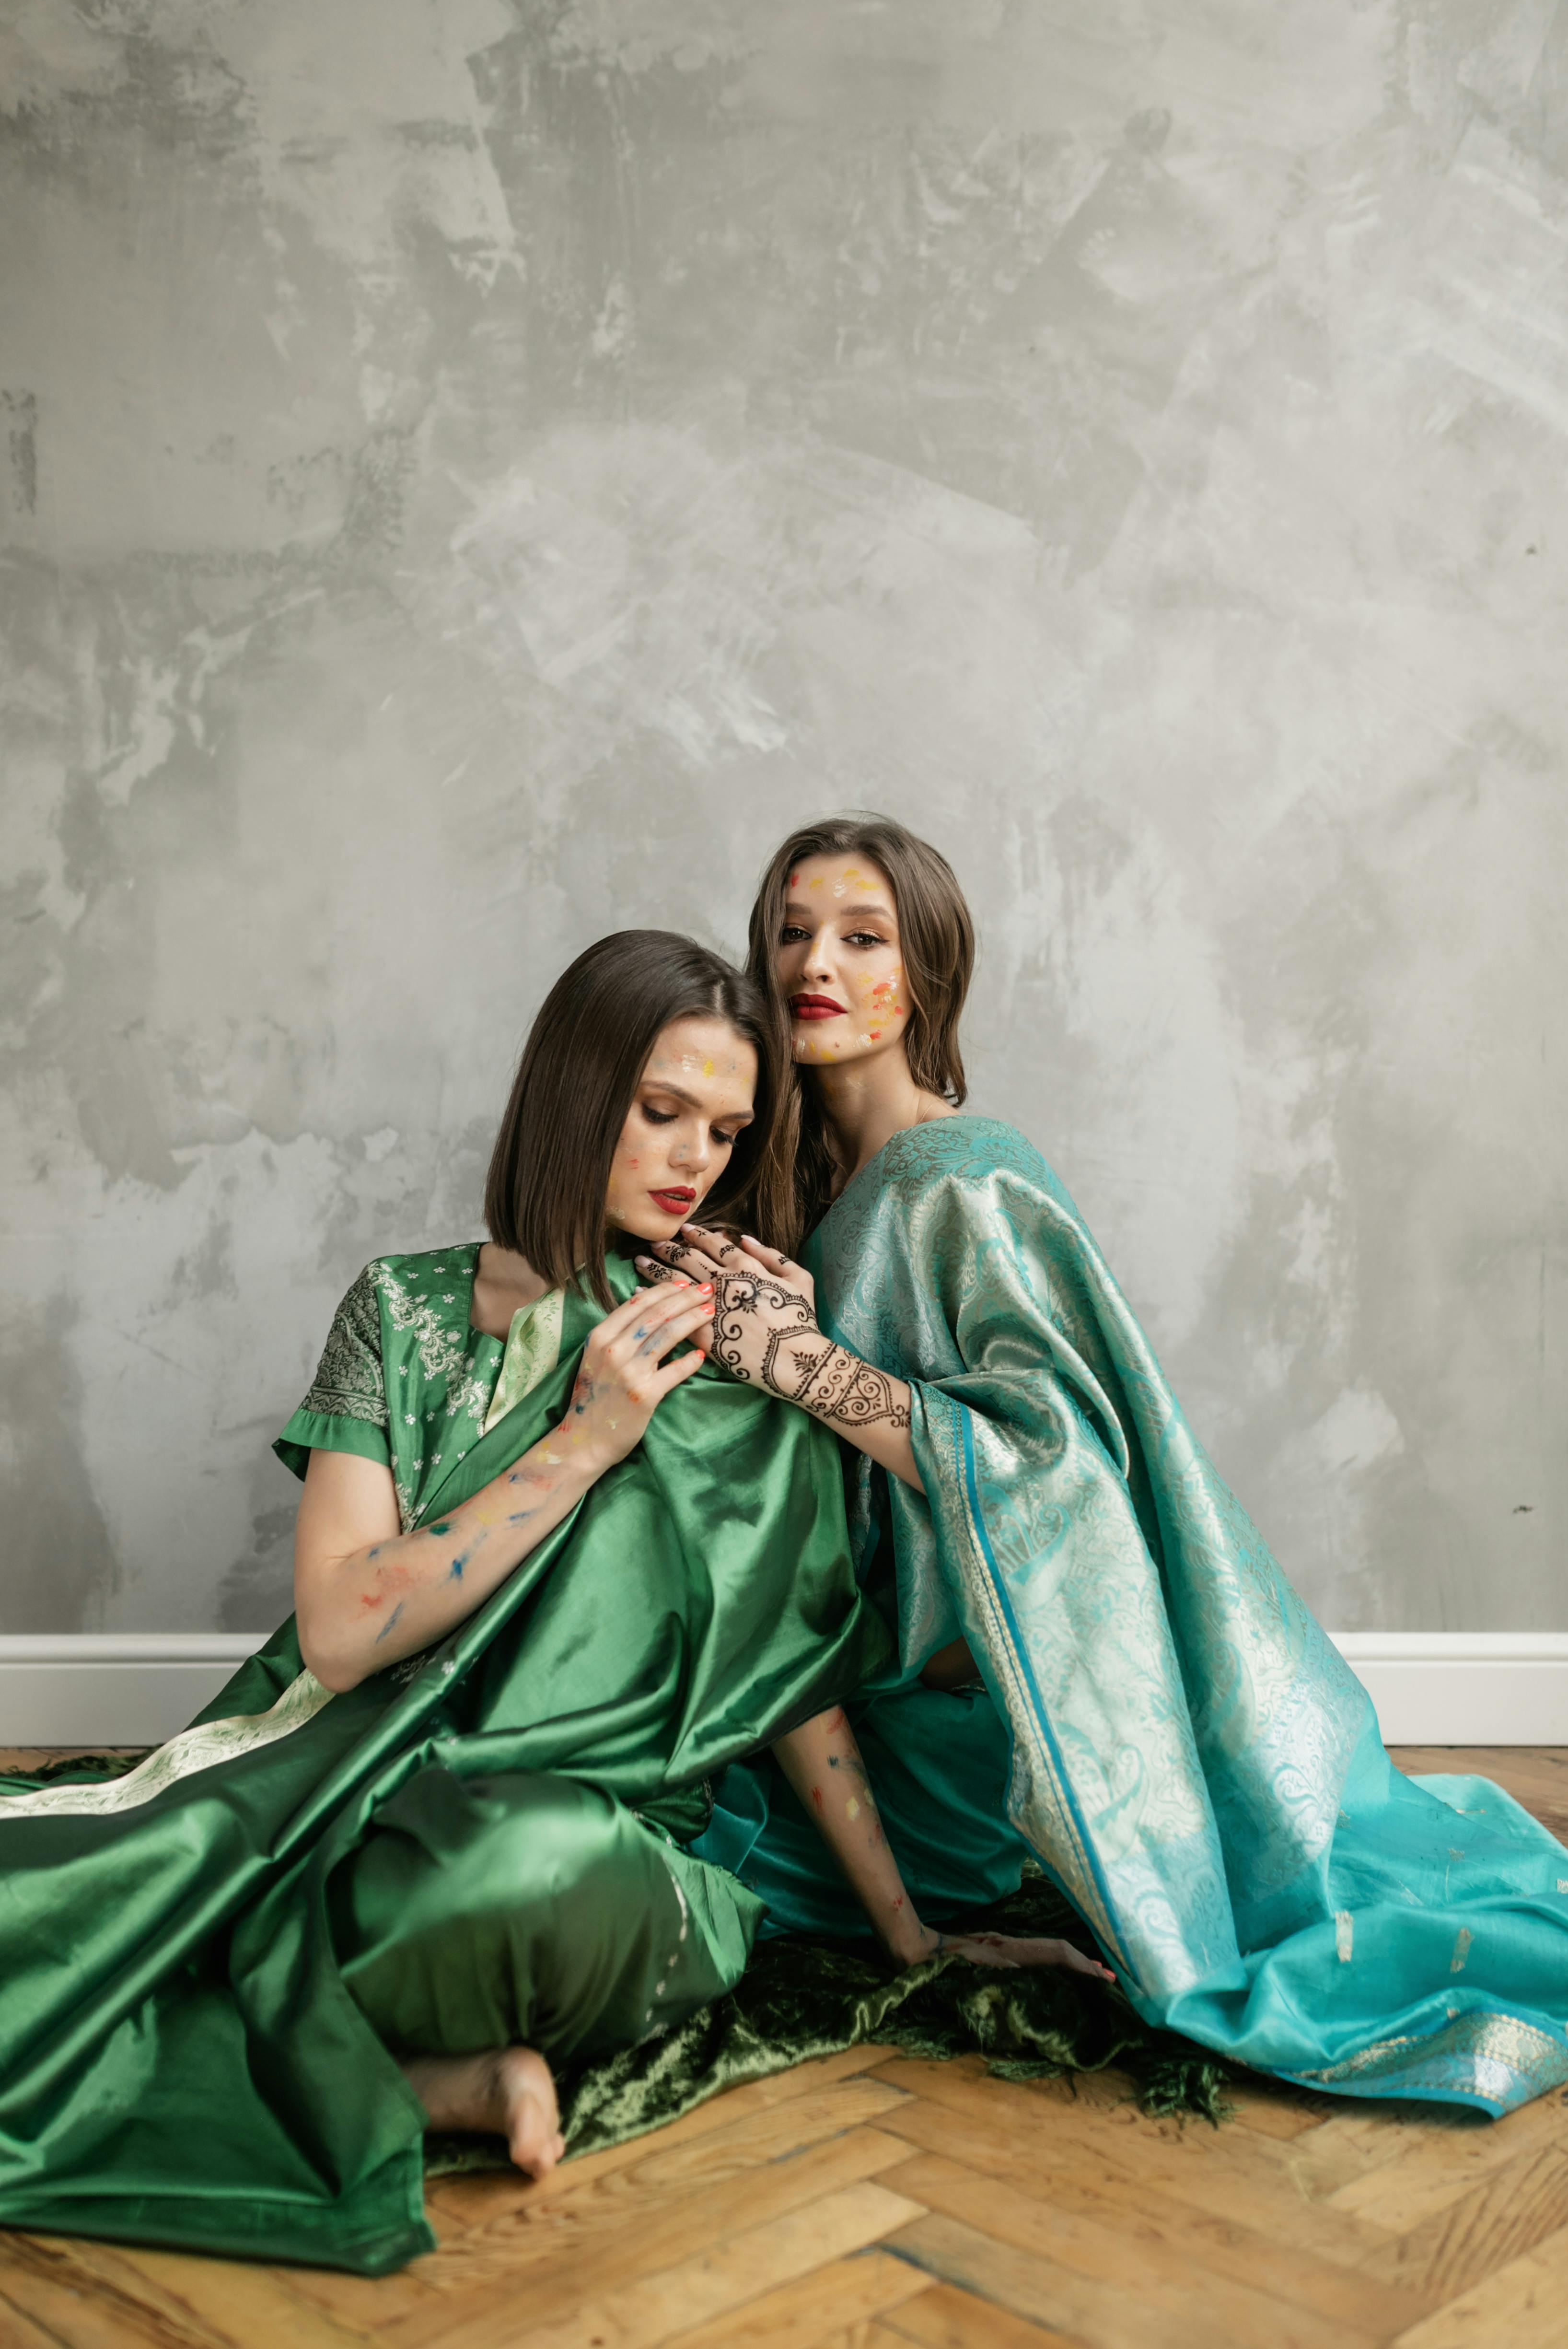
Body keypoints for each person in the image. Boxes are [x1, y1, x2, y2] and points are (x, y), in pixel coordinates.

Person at [0, 932, 903, 2275]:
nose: (694, 1157)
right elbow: (342, 1631)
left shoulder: (726, 1334)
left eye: (725, 1128)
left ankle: (348, 2049)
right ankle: (432, 2080)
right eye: (660, 1111)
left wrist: (911, 1930)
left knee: (502, 1868)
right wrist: (586, 1438)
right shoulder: (406, 1308)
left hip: (589, 1849)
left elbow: (785, 1668)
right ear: (574, 1091)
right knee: (62, 1919)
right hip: (339, 1786)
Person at [648, 818, 1568, 2117]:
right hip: (833, 1675)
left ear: (931, 975)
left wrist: (800, 1367)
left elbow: (1056, 1473)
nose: (817, 962)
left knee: (677, 1841)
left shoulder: (966, 1182)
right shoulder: (802, 1186)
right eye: (793, 932)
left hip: (954, 1722)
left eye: (865, 938)